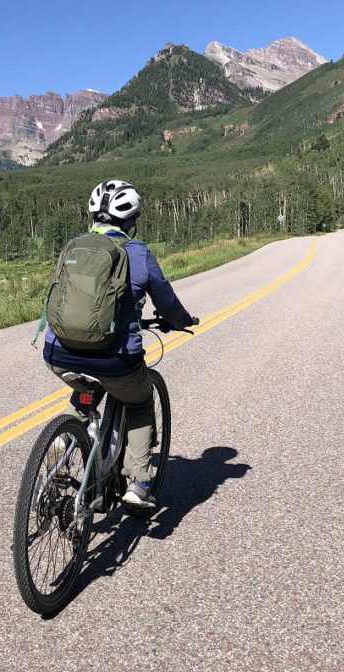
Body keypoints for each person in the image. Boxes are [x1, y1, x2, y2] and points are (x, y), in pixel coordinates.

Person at [43, 180, 197, 509]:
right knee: (139, 401)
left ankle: (64, 440)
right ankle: (139, 484)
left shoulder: (74, 246)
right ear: (130, 221)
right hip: (114, 361)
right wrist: (182, 320)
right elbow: (167, 302)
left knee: (86, 386)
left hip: (59, 351)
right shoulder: (138, 253)